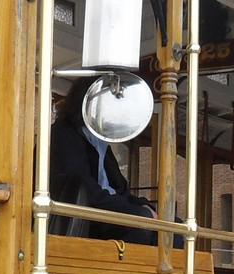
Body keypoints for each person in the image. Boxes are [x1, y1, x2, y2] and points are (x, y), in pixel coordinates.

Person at [48, 75, 157, 245]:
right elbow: (87, 191)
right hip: (86, 218)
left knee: (174, 226)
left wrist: (146, 206)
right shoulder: (63, 135)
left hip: (103, 210)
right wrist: (138, 212)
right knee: (140, 222)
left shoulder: (99, 141)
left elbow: (120, 189)